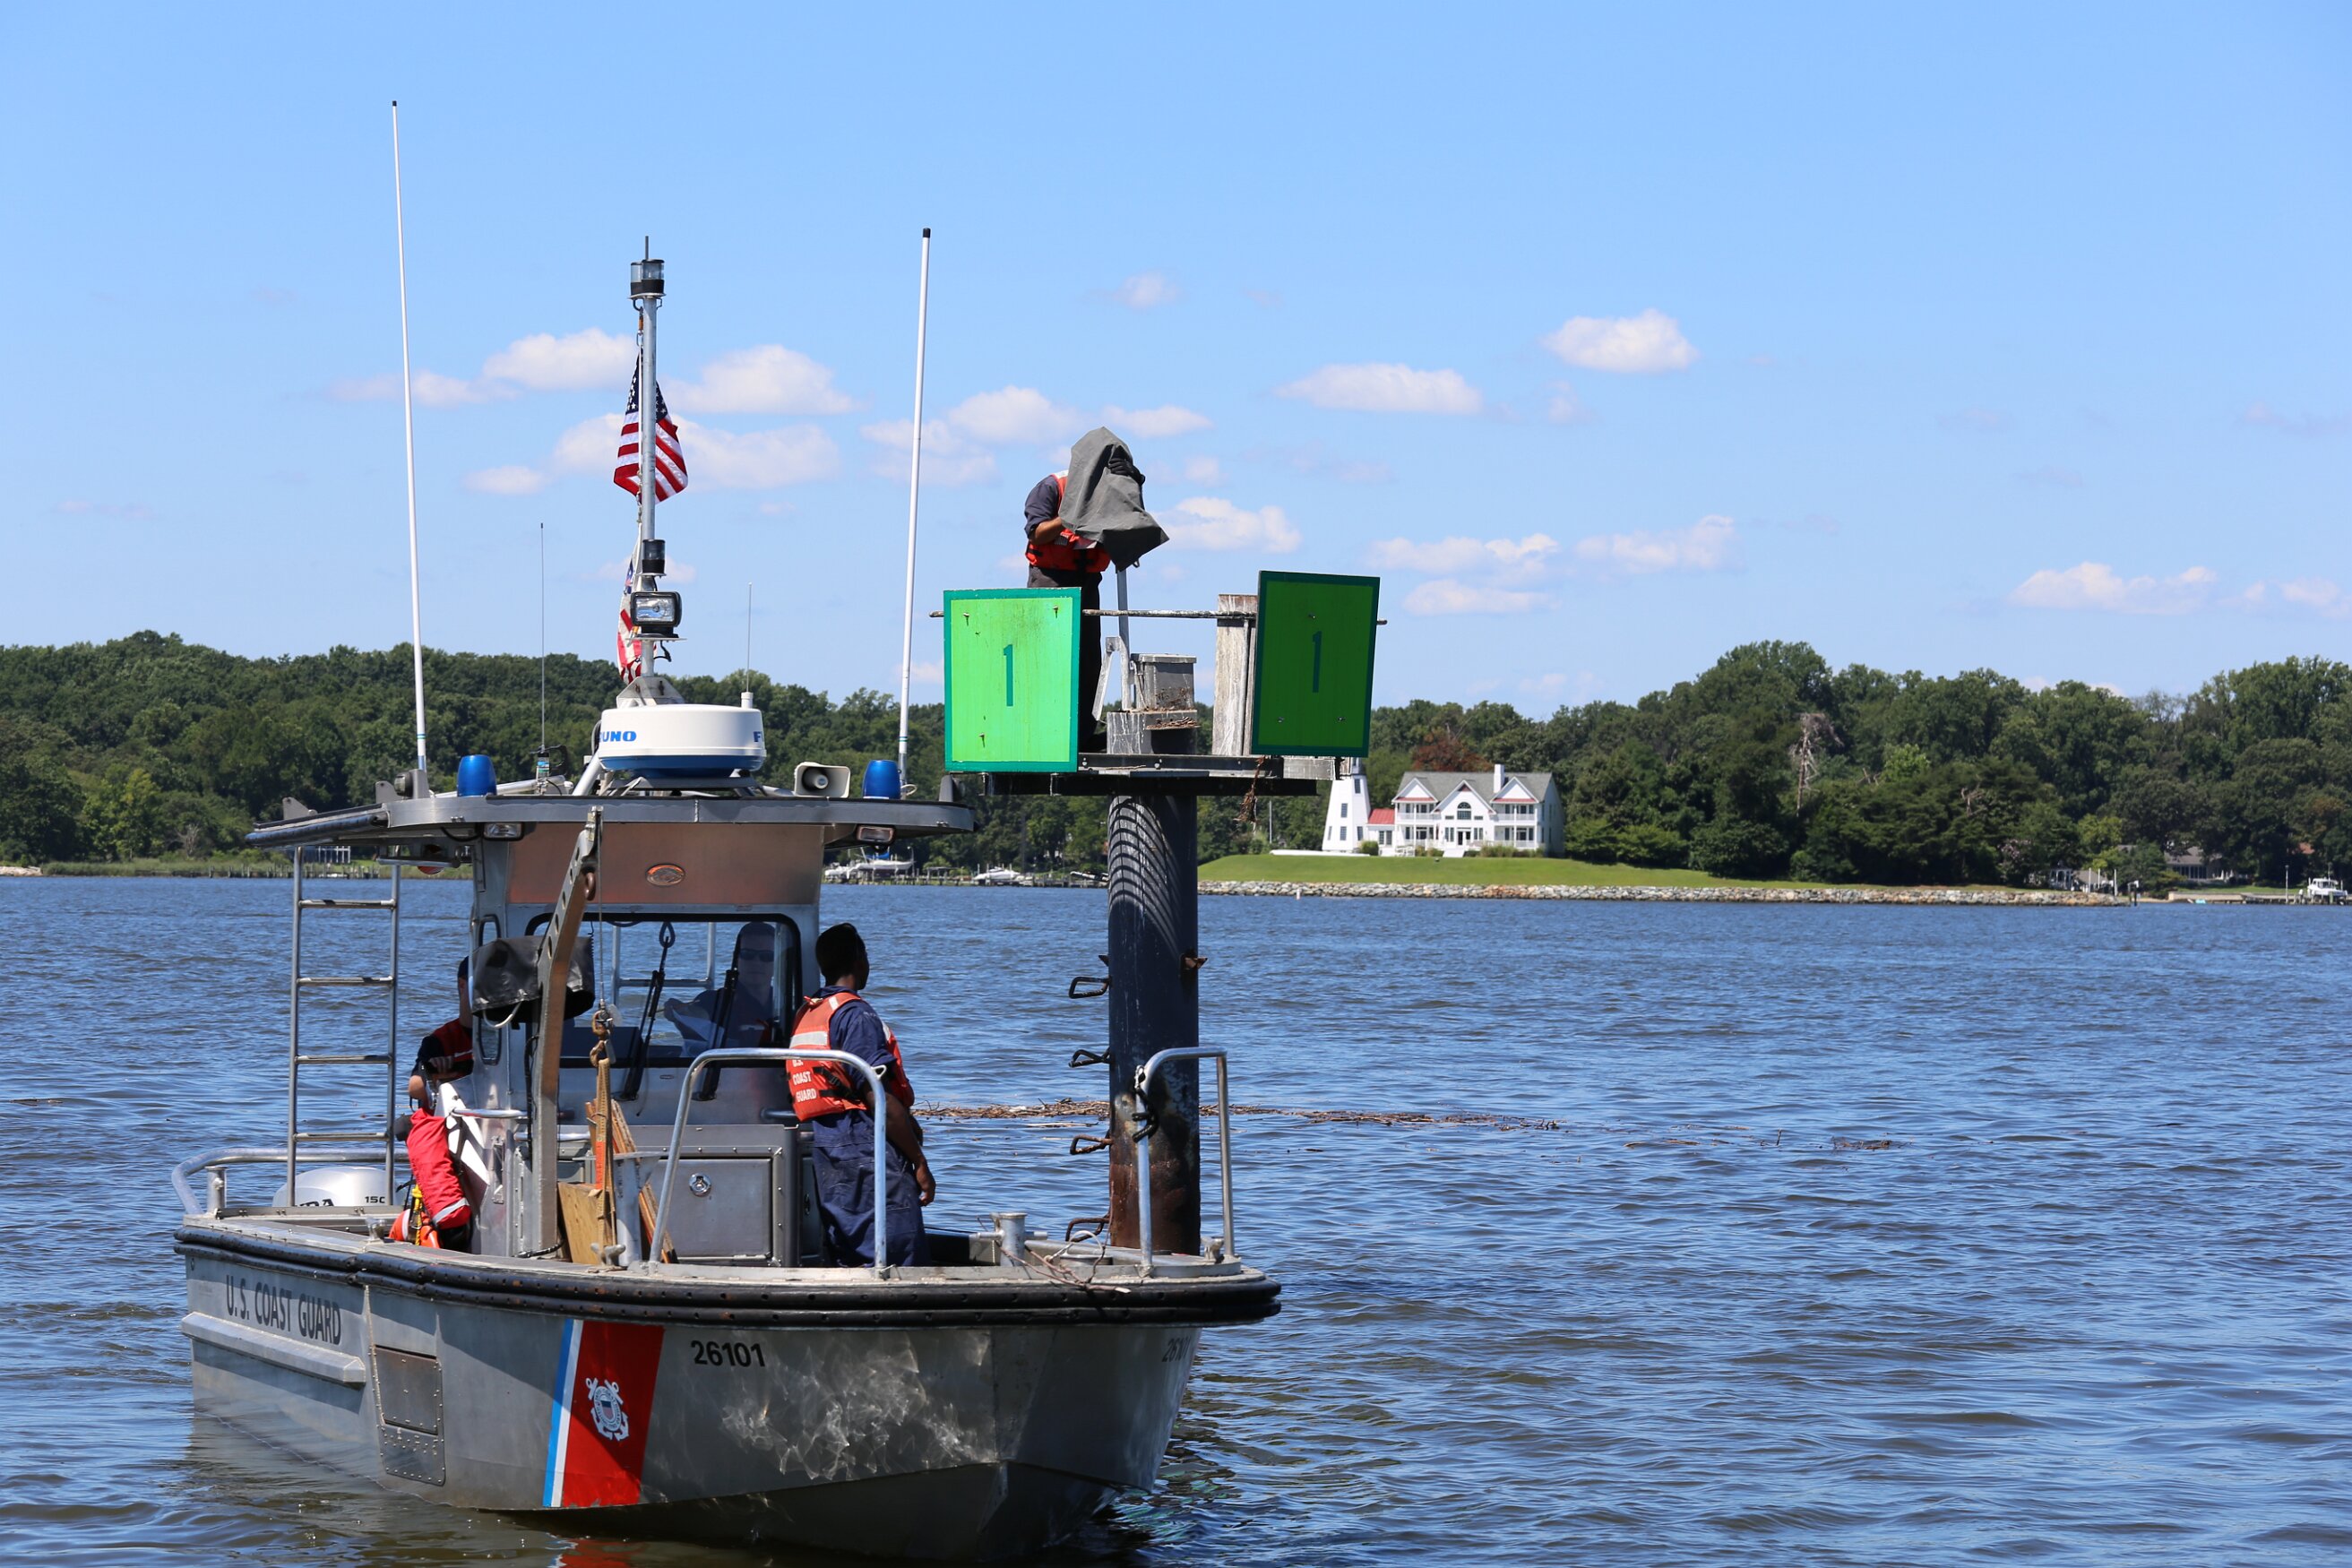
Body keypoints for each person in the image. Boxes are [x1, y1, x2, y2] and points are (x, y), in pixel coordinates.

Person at [788, 923, 933, 1266]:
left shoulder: (809, 1014)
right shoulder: (855, 1014)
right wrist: (919, 1160)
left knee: (849, 1249)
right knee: (895, 1251)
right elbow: (878, 1098)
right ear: (858, 959)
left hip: (827, 1146)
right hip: (865, 1143)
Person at [1022, 469, 1111, 752]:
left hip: (1088, 581)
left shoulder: (1110, 490)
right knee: (1048, 659)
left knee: (1088, 661)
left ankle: (1082, 737)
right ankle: (1043, 736)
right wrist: (1067, 517)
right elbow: (1036, 533)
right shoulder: (1051, 487)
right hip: (1050, 580)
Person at [664, 922, 780, 1053]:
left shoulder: (786, 1005)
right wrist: (683, 1013)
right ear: (736, 958)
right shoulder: (712, 1000)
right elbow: (698, 1015)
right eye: (747, 954)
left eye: (766, 956)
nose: (756, 962)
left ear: (778, 961)